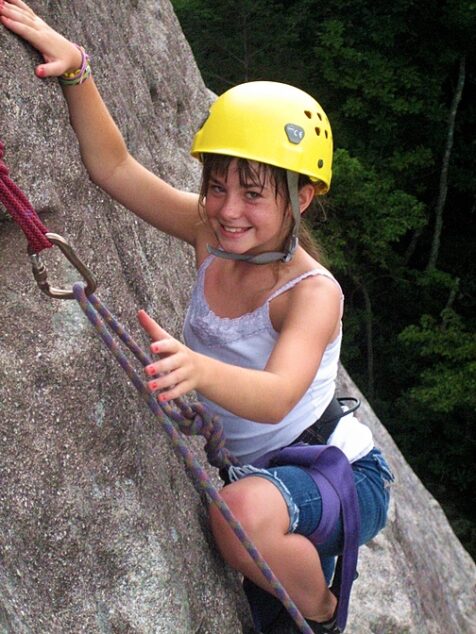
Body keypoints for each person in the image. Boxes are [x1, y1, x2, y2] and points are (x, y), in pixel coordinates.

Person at [1, 2, 395, 632]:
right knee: (249, 532)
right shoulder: (210, 233)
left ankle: (322, 606)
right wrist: (78, 72)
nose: (227, 209)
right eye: (216, 185)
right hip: (266, 475)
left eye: (253, 193)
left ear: (303, 197)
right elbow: (115, 168)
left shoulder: (310, 293)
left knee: (238, 518)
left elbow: (275, 397)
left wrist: (197, 369)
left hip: (339, 472)